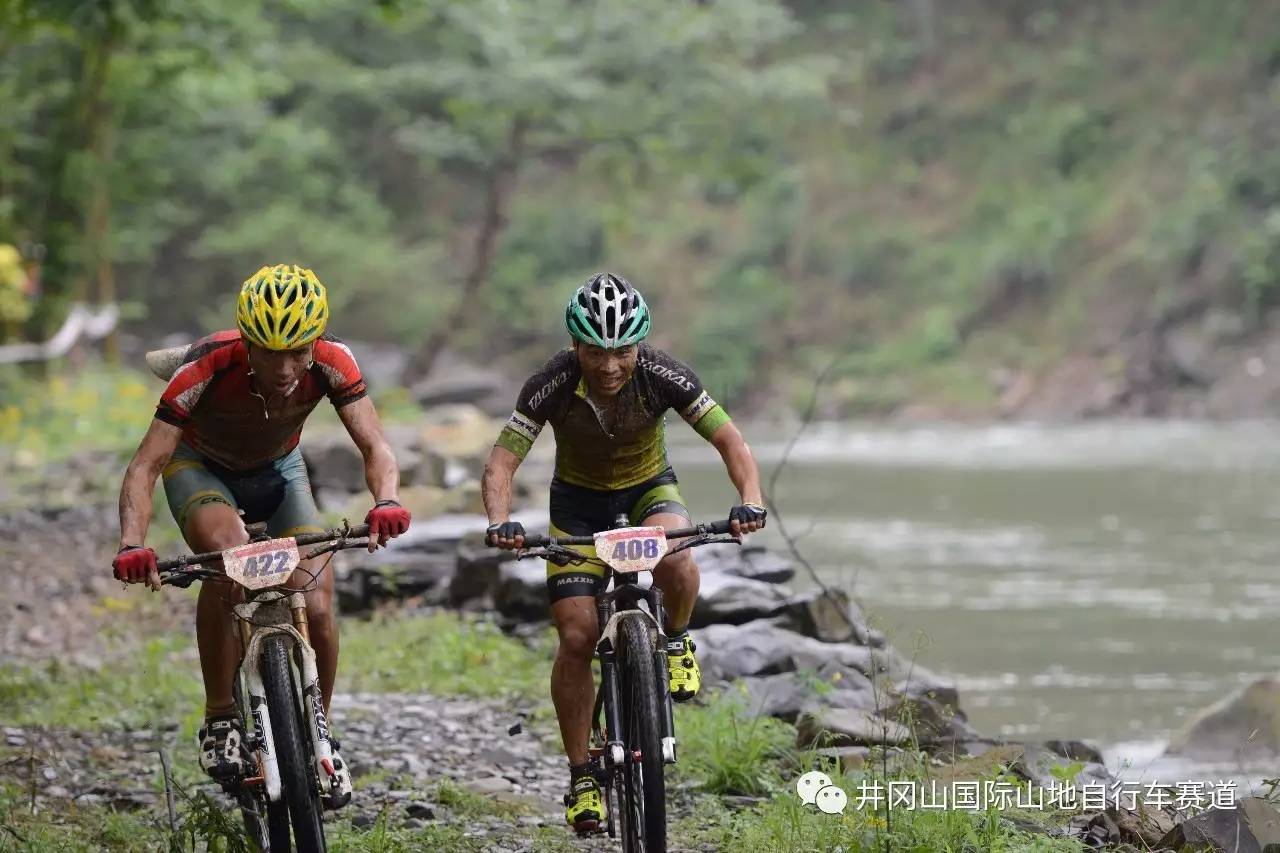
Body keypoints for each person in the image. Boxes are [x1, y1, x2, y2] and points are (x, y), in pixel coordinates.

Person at [111, 264, 411, 805]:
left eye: (298, 351)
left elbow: (376, 446)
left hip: (280, 469)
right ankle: (221, 717)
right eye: (270, 352)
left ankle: (322, 729)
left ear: (314, 342)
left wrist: (386, 501)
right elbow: (145, 466)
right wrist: (133, 542)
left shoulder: (334, 362)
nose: (287, 366)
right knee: (230, 561)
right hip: (201, 466)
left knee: (317, 601)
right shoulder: (205, 369)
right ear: (247, 342)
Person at [481, 272, 767, 832]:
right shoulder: (551, 384)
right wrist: (501, 520)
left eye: (622, 351)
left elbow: (730, 439)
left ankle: (678, 639)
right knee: (577, 637)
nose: (610, 366)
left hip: (648, 491)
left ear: (639, 345)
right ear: (575, 346)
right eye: (595, 352)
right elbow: (502, 462)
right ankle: (583, 774)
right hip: (576, 507)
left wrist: (750, 500)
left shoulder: (664, 375)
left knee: (678, 557)